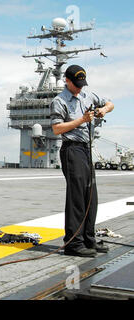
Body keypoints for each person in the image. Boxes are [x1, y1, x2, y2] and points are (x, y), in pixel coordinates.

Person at [50, 65, 114, 257]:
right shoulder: (59, 101)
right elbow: (57, 129)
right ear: (67, 81)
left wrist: (103, 109)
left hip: (86, 150)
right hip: (72, 150)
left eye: (81, 84)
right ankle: (73, 244)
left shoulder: (88, 95)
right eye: (76, 84)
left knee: (90, 196)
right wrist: (81, 120)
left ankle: (88, 239)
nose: (79, 88)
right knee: (76, 197)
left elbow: (110, 103)